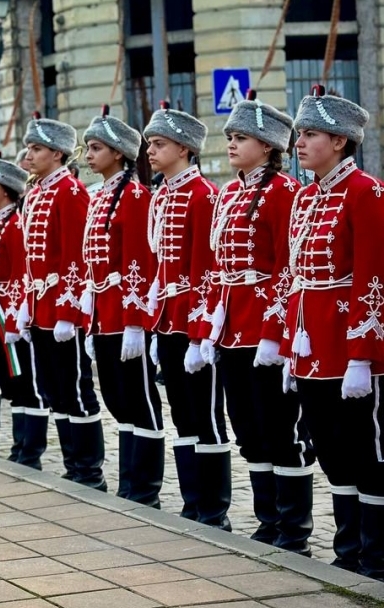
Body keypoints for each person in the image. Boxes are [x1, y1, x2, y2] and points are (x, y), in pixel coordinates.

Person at [202, 91, 316, 554]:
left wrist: (275, 332)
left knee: (281, 429)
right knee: (247, 426)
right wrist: (210, 326)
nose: (230, 144)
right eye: (229, 136)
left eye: (241, 137)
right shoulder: (230, 193)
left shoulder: (284, 191)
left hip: (266, 326)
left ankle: (295, 529)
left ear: (267, 145)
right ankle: (268, 518)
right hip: (233, 325)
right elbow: (217, 265)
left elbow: (290, 268)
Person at [283, 85, 384, 580]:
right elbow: (294, 277)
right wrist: (287, 346)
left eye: (311, 134)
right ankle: (347, 551)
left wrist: (363, 354)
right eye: (299, 133)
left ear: (341, 141)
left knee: (366, 449)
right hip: (310, 342)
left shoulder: (366, 191)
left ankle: (377, 555)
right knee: (328, 448)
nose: (299, 143)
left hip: (349, 343)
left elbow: (372, 276)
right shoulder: (304, 197)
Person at [144, 102, 229, 529]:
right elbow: (162, 265)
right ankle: (193, 500)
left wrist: (200, 333)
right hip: (168, 317)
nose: (151, 152)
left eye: (158, 145)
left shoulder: (203, 195)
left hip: (194, 320)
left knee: (206, 414)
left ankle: (214, 510)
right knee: (181, 411)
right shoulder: (161, 194)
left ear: (183, 148)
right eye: (149, 145)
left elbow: (206, 269)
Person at [81, 106, 164, 506]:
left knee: (140, 398)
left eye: (95, 148)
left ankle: (145, 487)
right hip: (104, 314)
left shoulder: (134, 195)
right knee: (116, 397)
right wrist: (90, 316)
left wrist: (134, 323)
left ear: (118, 153)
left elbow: (137, 263)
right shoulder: (100, 197)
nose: (88, 156)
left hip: (126, 315)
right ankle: (130, 480)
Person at [21, 112, 107, 492]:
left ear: (57, 154)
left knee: (75, 386)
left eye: (37, 148)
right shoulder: (38, 191)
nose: (30, 155)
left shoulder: (71, 192)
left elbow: (77, 256)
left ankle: (89, 468)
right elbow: (31, 256)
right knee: (54, 387)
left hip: (61, 307)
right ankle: (73, 463)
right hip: (41, 303)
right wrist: (28, 302)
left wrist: (68, 312)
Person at [0, 156, 46, 465]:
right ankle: (20, 445)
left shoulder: (15, 224)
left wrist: (18, 313)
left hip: (14, 316)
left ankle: (31, 450)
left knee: (28, 384)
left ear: (6, 190)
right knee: (12, 384)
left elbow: (20, 272)